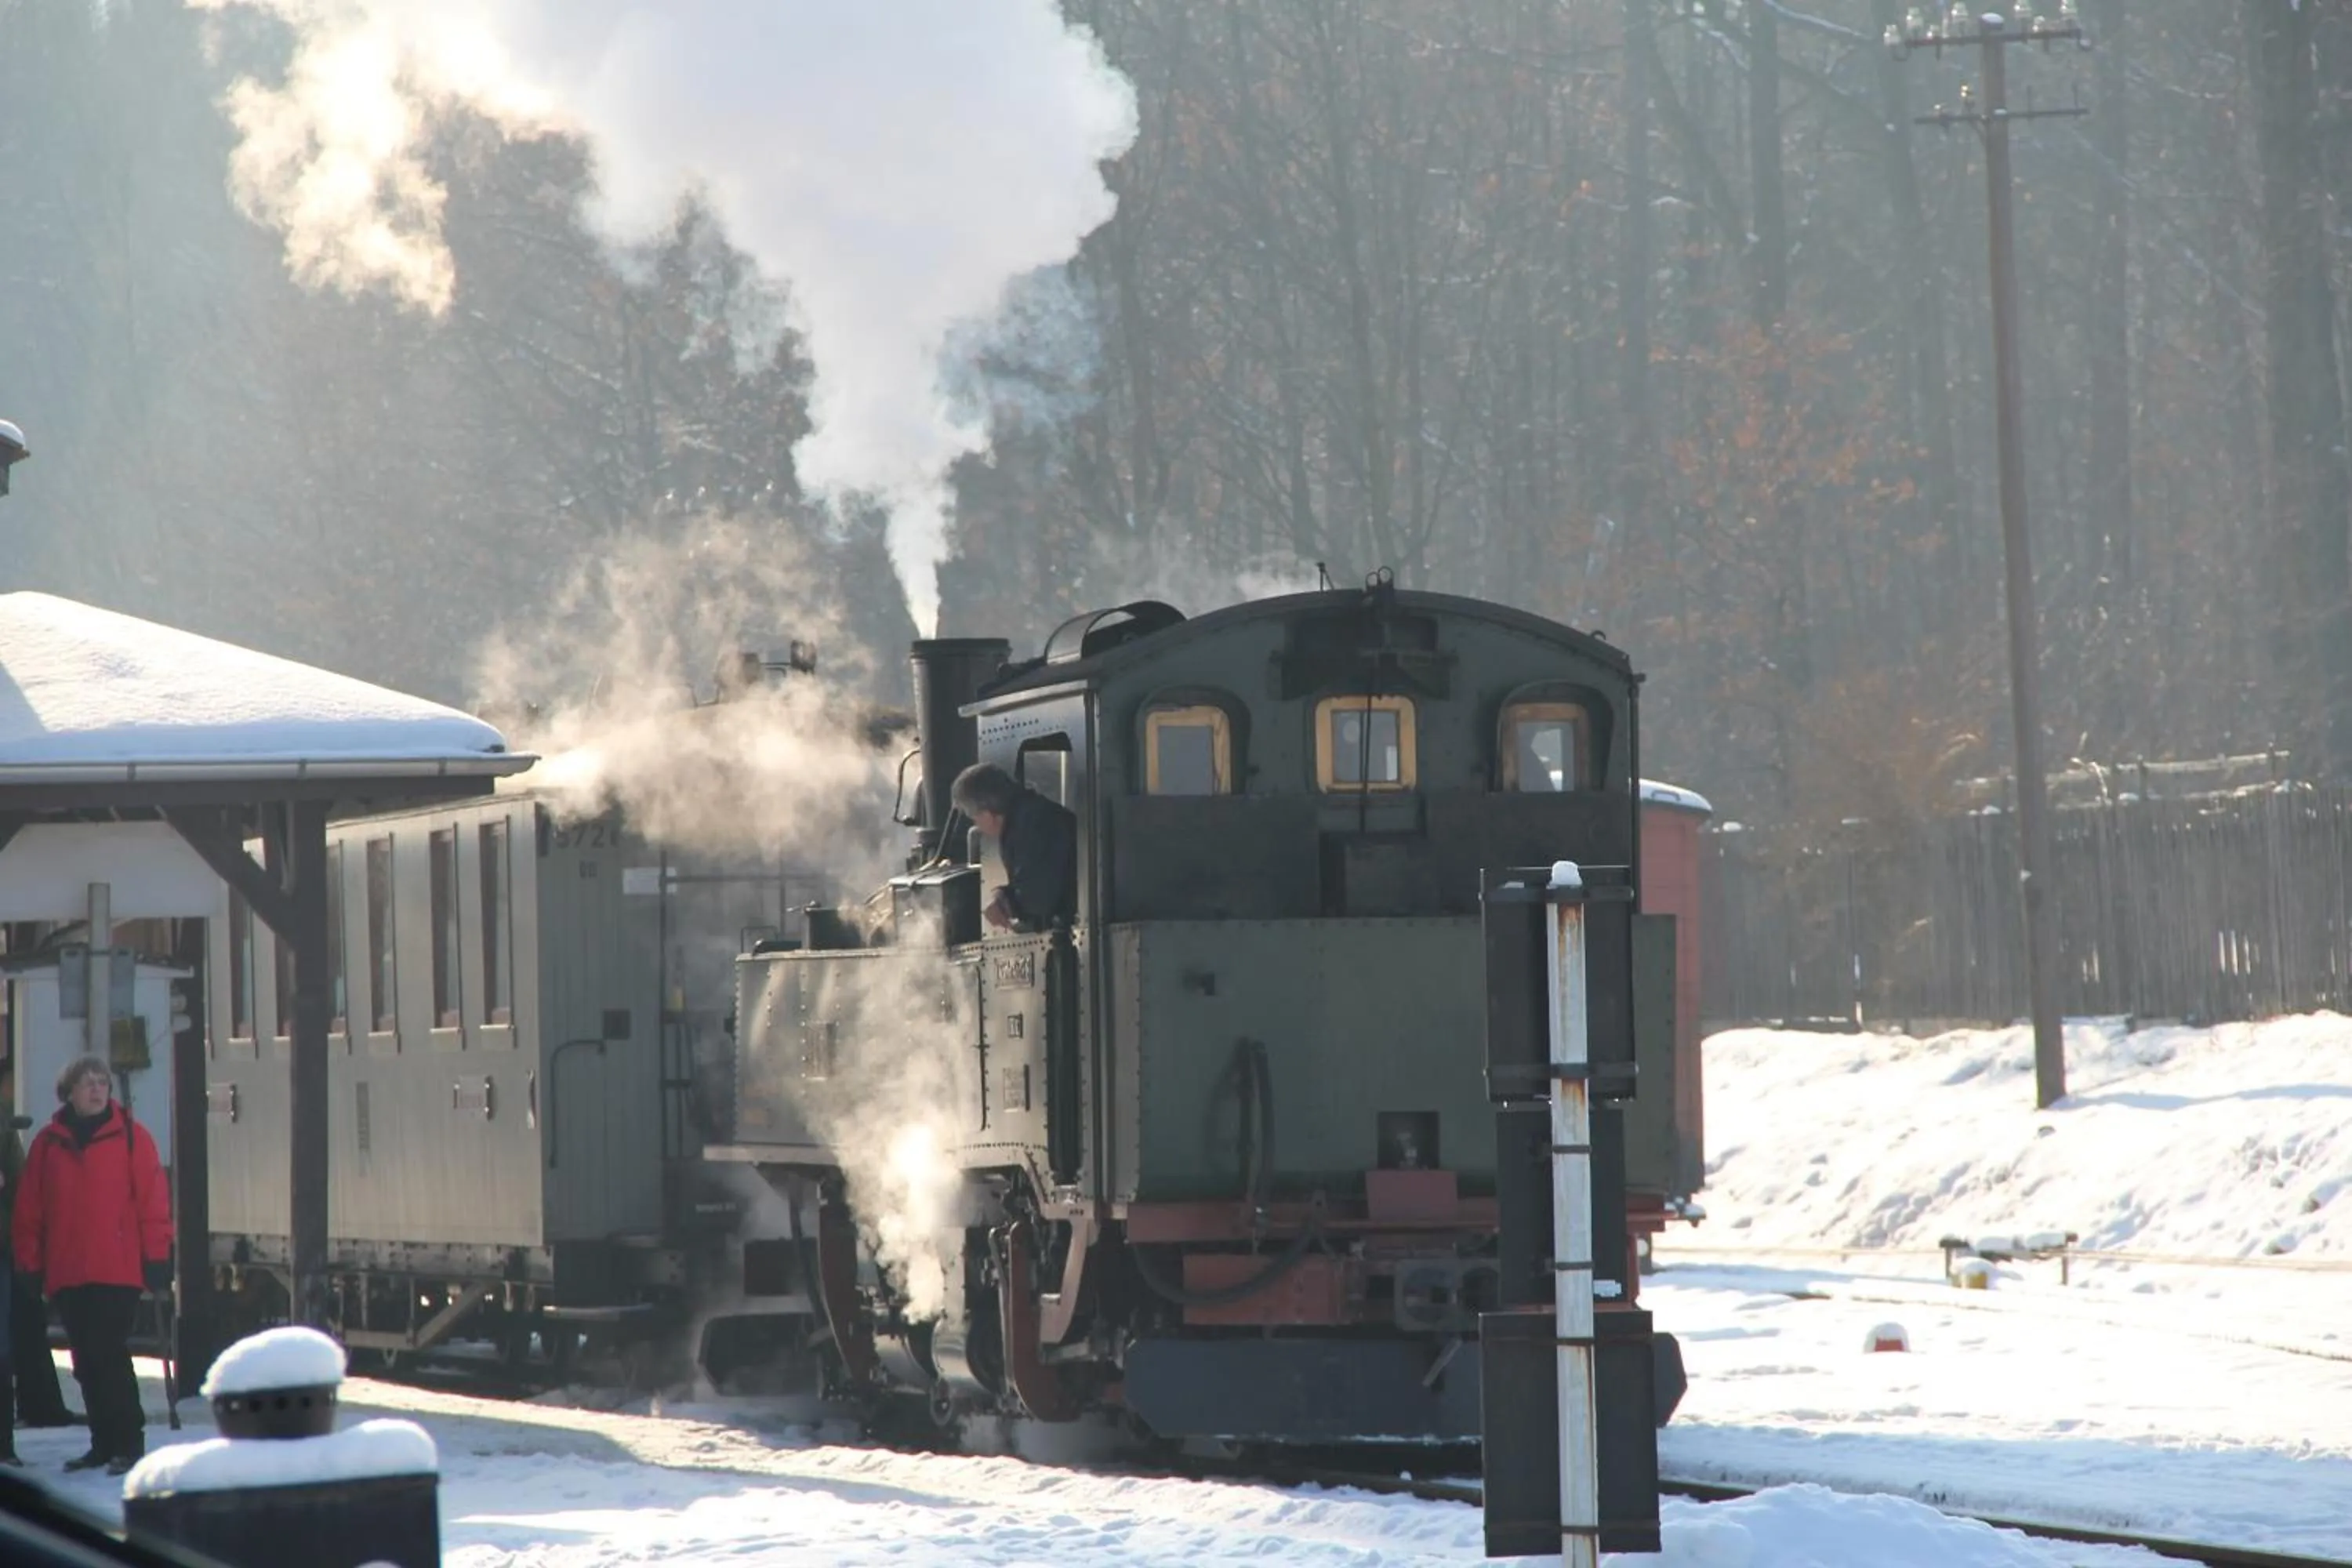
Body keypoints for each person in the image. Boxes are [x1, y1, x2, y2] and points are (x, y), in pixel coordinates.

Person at [13, 1058, 170, 1476]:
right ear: (69, 1093)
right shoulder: (48, 1145)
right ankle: (103, 1444)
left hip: (116, 1269)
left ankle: (128, 1441)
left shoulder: (133, 1139)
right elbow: (31, 1211)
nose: (97, 1090)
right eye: (88, 1084)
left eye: (102, 1083)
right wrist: (29, 1263)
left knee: (109, 1354)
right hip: (68, 1270)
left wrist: (158, 1259)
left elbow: (153, 1203)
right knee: (85, 1360)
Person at [951, 762, 1077, 931]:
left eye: (974, 817)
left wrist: (1006, 904)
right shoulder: (1026, 817)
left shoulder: (1032, 824)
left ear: (987, 813)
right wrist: (1004, 894)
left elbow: (1039, 896)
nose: (976, 825)